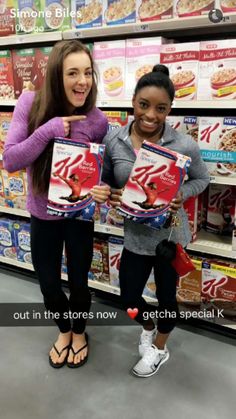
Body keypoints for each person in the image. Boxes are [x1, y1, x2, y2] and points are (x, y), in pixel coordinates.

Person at [3, 40, 110, 369]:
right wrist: (48, 130)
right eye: (73, 73)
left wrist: (102, 187)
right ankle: (63, 330)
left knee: (79, 280)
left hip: (78, 215)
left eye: (88, 73)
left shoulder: (97, 121)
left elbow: (99, 171)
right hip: (42, 214)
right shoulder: (30, 103)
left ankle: (79, 332)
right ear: (55, 76)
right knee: (48, 281)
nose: (82, 81)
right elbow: (10, 159)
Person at [102, 64, 210, 378]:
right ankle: (147, 326)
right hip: (135, 236)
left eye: (161, 108)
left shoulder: (183, 145)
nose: (151, 115)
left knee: (166, 298)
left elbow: (201, 180)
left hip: (169, 238)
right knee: (129, 298)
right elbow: (107, 181)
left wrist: (181, 193)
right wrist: (108, 192)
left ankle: (160, 349)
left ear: (169, 109)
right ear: (133, 101)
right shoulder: (115, 141)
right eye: (144, 105)